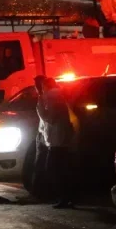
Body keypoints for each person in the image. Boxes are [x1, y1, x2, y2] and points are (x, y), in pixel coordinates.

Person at [37, 76, 79, 208]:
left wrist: (39, 108)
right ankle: (68, 197)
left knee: (53, 169)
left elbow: (50, 118)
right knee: (62, 169)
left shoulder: (51, 96)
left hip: (57, 140)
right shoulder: (58, 95)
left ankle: (64, 198)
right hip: (61, 139)